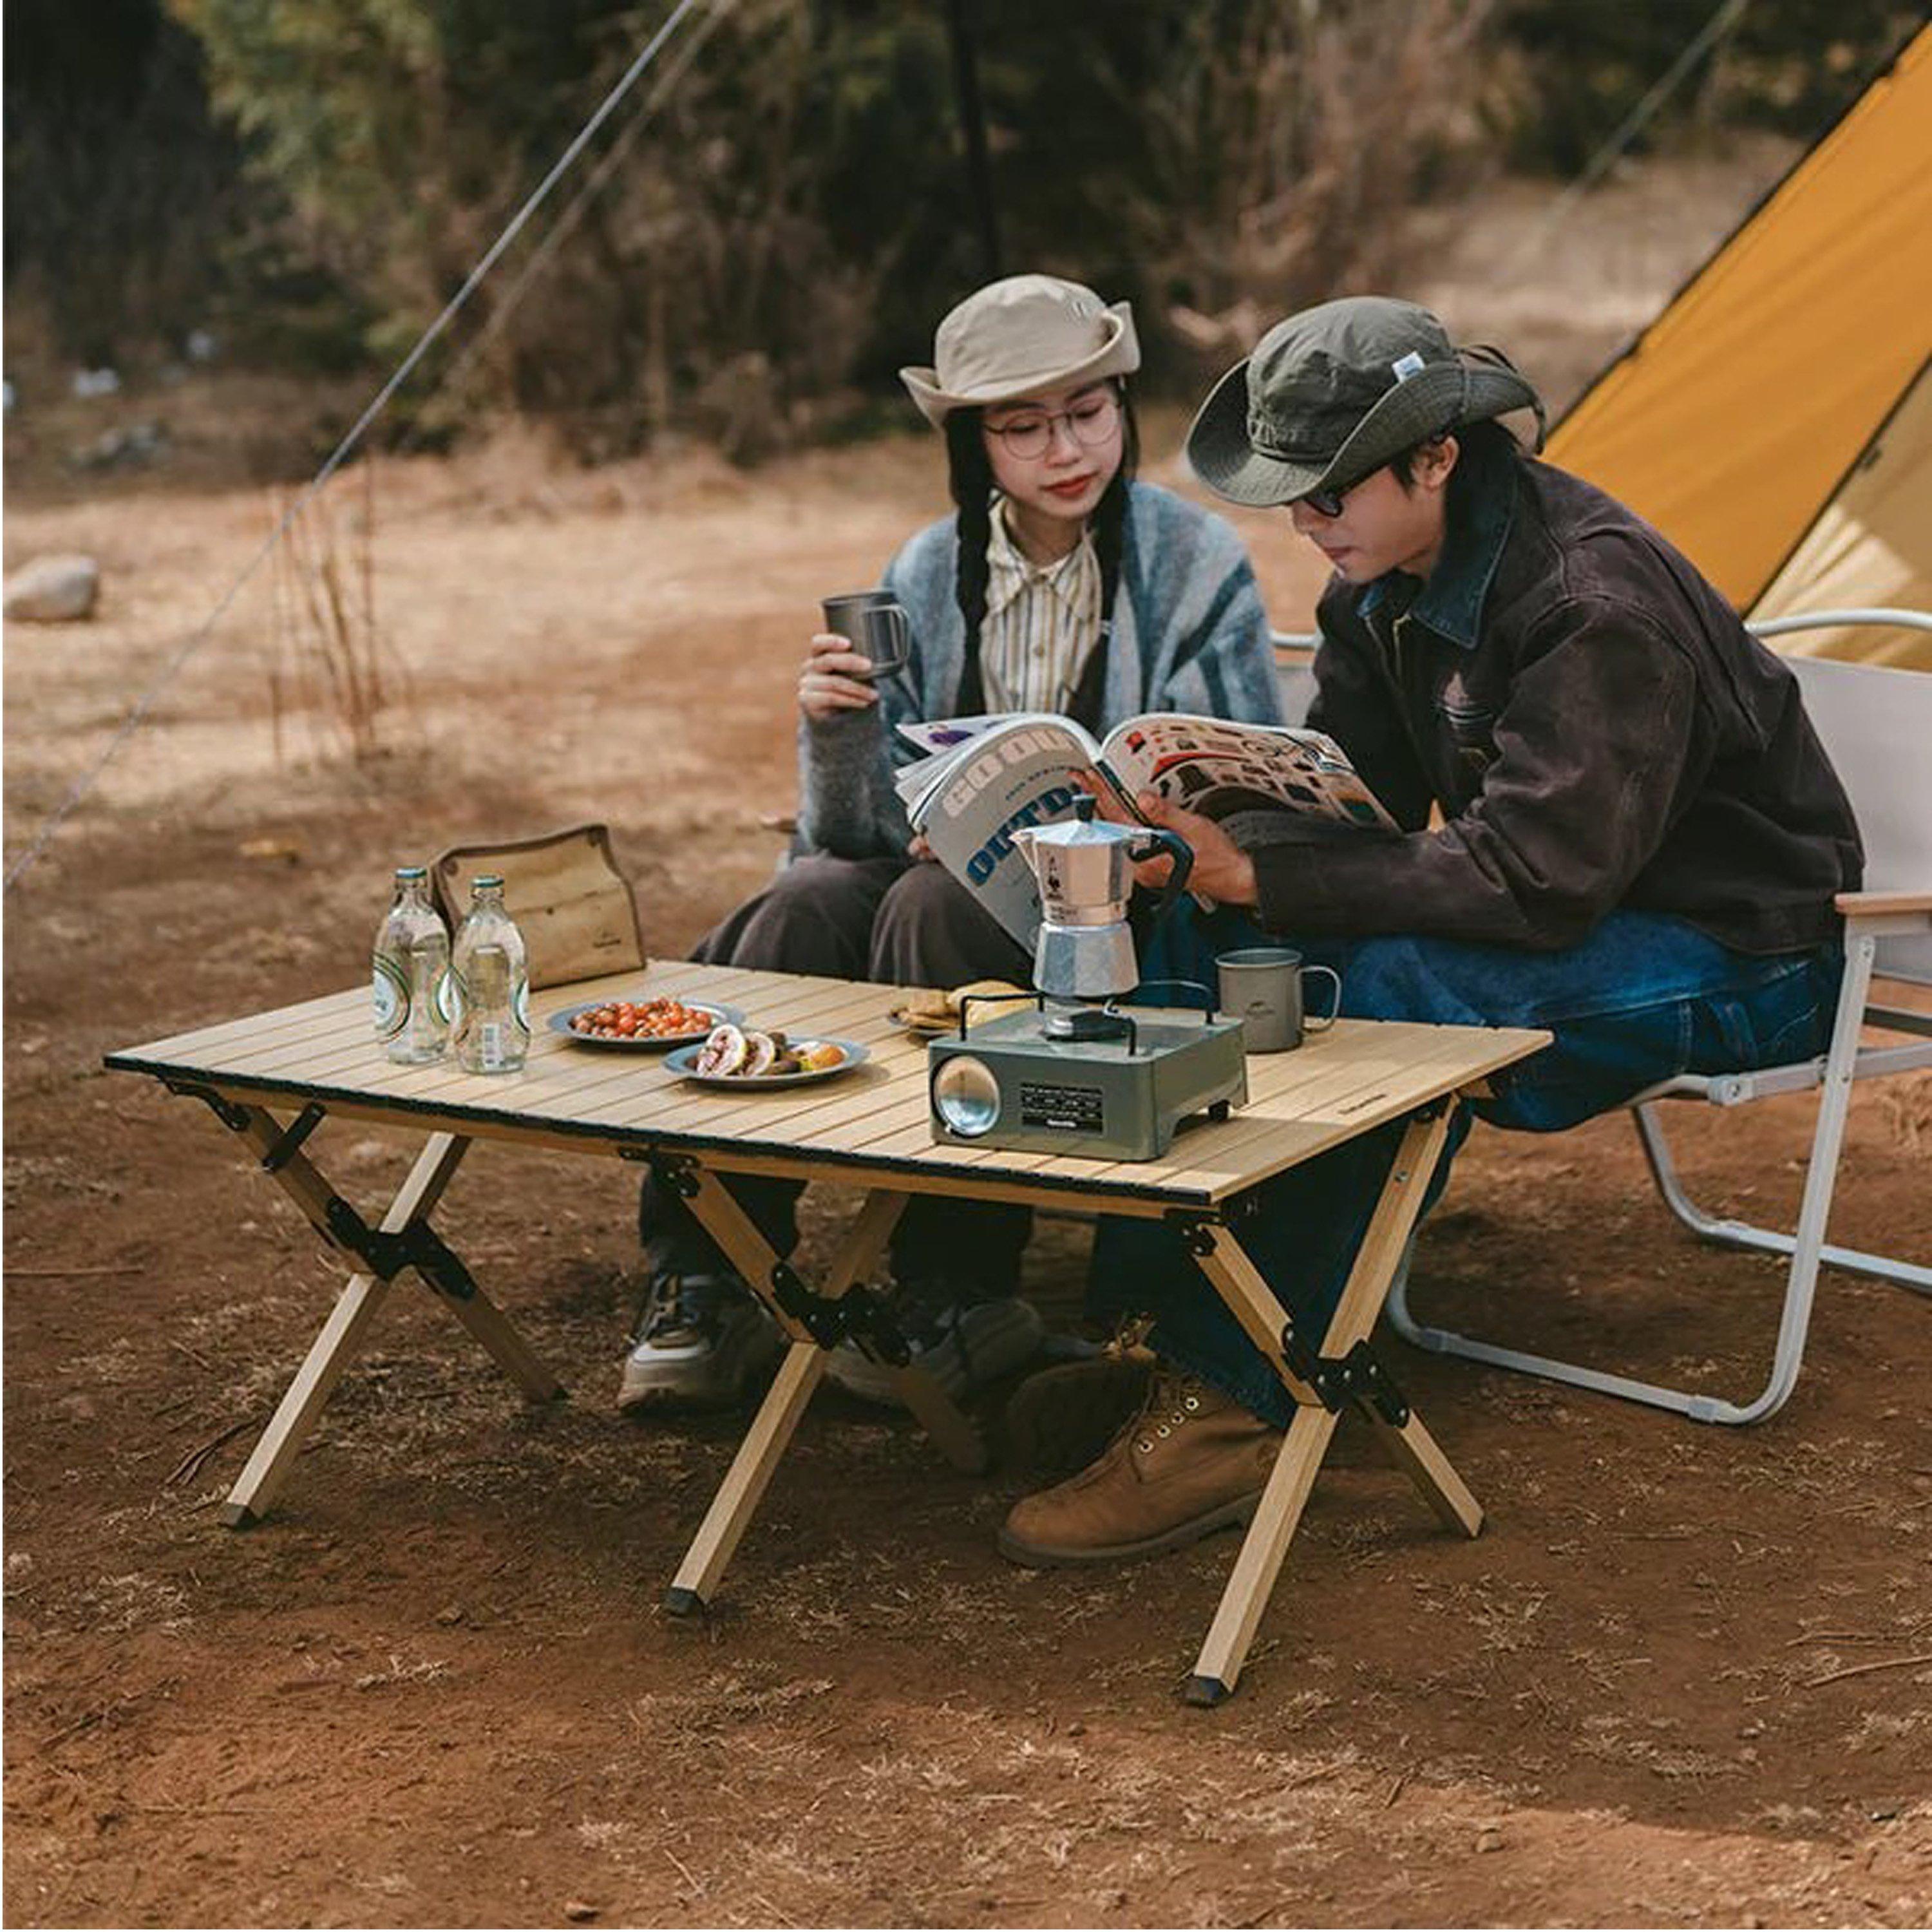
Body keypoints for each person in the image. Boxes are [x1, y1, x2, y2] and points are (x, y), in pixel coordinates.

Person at [998, 295, 1863, 1566]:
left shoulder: (1591, 601)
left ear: (1439, 454)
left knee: (1382, 994)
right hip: (1586, 912)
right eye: (1295, 492)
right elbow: (1364, 808)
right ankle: (1177, 1331)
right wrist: (1199, 838)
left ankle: (1230, 1409)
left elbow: (1537, 882)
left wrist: (1270, 882)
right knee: (1210, 951)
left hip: (1745, 955)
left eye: (1332, 490)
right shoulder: (1386, 583)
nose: (1307, 520)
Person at [622, 272, 1285, 1412]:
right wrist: (836, 732)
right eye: (1022, 427)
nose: (1063, 449)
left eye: (1086, 412)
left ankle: (955, 1285)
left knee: (928, 912)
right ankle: (711, 1274)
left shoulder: (1194, 560)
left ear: (1124, 403)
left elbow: (1228, 793)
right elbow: (851, 832)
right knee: (800, 903)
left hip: (1125, 908)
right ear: (975, 443)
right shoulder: (929, 571)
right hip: (945, 878)